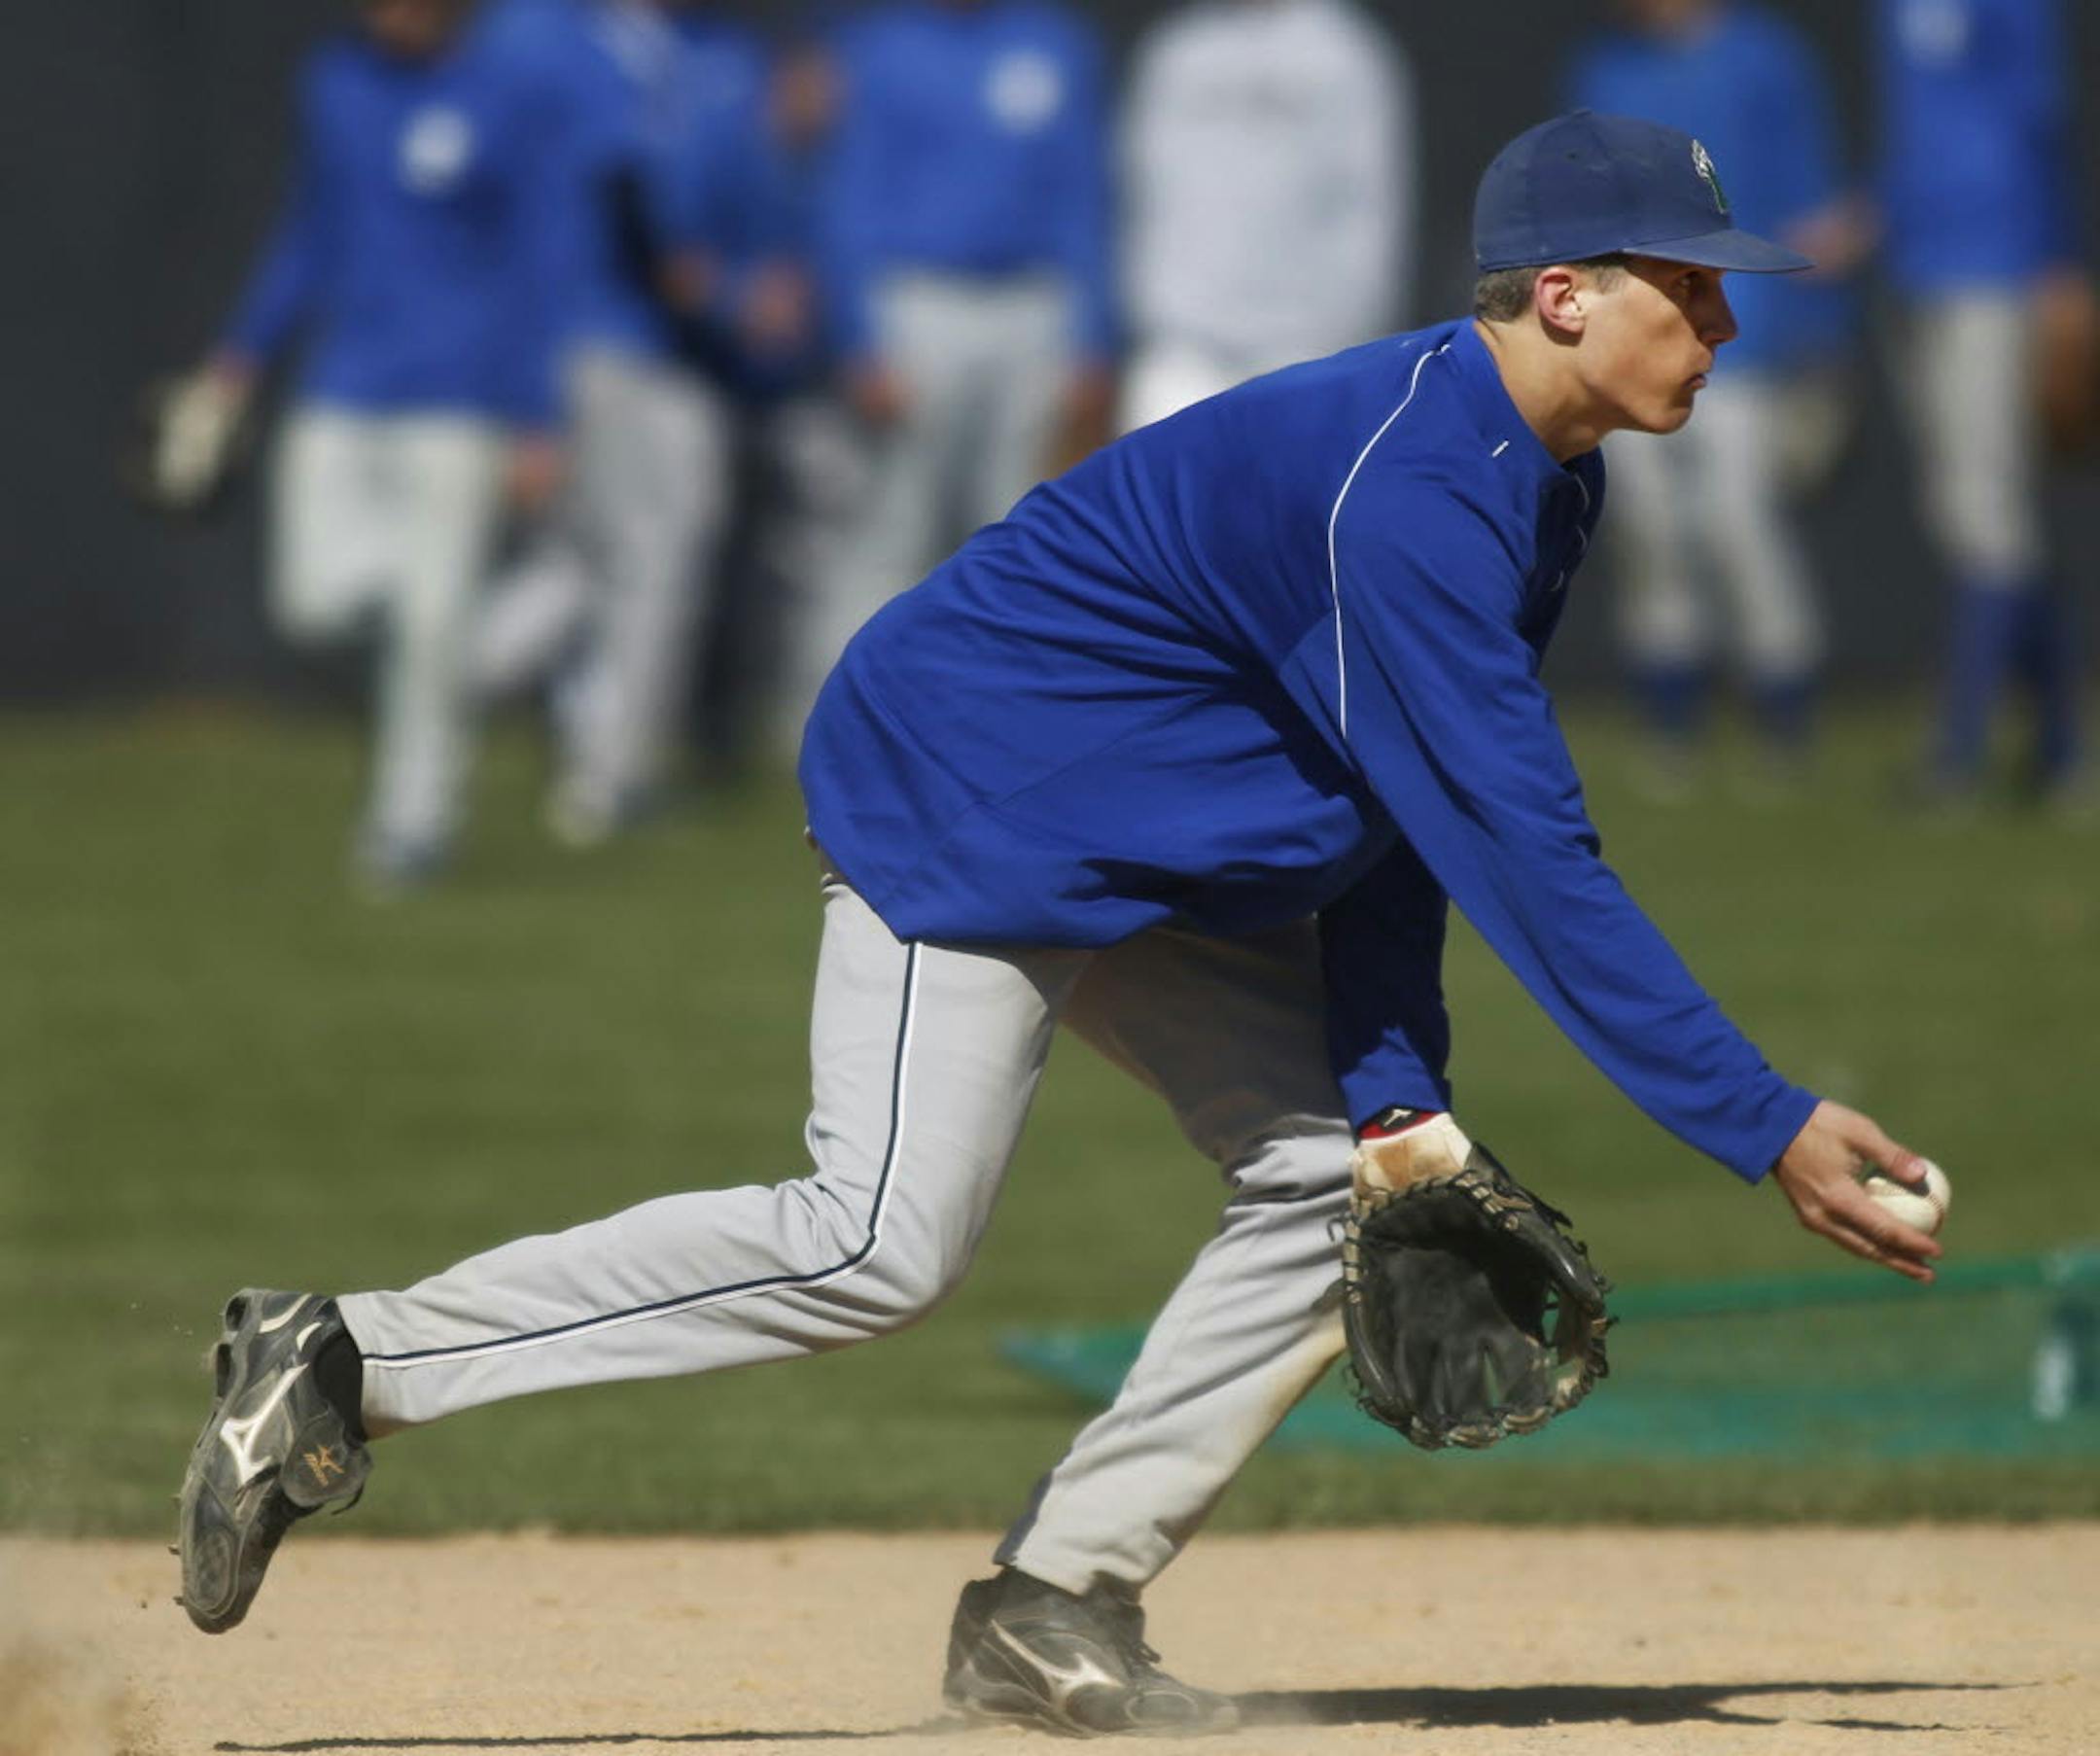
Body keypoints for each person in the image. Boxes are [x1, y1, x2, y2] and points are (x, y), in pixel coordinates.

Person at [175, 114, 1944, 1737]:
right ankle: (341, 1355)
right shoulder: (1413, 487)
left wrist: (1397, 1090)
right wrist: (1761, 1121)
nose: (1725, 324)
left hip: (1149, 844)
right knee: (879, 1242)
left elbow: (1408, 815)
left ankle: (1053, 1601)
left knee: (1343, 1176)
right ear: (1564, 295)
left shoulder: (1539, 471)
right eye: (1692, 287)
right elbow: (1528, 853)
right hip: (970, 797)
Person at [191, 0, 565, 890]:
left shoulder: (507, 93)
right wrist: (243, 352)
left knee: (431, 635)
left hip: (459, 397)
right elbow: (310, 230)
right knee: (312, 604)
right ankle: (521, 612)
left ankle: (412, 825)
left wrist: (537, 414)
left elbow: (537, 260)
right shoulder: (335, 84)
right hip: (345, 384)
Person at [469, 0, 785, 846]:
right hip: (609, 339)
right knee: (651, 559)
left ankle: (452, 675)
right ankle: (609, 774)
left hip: (637, 345)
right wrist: (728, 296)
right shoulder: (551, 36)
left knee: (588, 557)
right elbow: (635, 216)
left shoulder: (697, 50)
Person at [771, 0, 1118, 744]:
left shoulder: (1053, 44)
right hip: (915, 300)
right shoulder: (882, 48)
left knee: (1018, 531)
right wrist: (858, 338)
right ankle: (837, 728)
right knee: (888, 527)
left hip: (1032, 305)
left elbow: (1082, 195)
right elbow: (848, 195)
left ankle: (1005, 733)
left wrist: (1091, 336)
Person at [1569, 0, 1865, 790]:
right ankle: (1672, 721)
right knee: (1648, 530)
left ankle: (1784, 715)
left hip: (1742, 329)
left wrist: (1822, 340)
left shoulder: (1763, 55)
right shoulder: (1606, 67)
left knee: (1738, 521)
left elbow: (1812, 206)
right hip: (1628, 334)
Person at [1873, 0, 2092, 803]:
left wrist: (2061, 265)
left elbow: (2039, 124)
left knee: (1984, 507)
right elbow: (1921, 128)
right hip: (1916, 264)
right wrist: (1879, 211)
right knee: (1968, 511)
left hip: (1996, 263)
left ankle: (1960, 753)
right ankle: (2060, 749)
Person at [1119, 0, 1416, 432]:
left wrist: (1350, 327)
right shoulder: (1180, 50)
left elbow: (1370, 202)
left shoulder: (1344, 52)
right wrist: (1150, 305)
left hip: (1302, 345)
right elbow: (1138, 188)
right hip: (1184, 345)